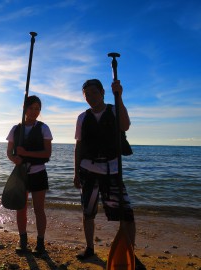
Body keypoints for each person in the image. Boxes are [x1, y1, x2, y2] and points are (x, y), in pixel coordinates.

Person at [74, 79, 145, 269]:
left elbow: (125, 126)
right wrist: (76, 173)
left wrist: (119, 96)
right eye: (87, 94)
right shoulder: (82, 117)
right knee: (88, 213)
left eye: (94, 93)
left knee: (126, 215)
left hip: (112, 171)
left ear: (103, 92)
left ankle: (130, 252)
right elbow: (79, 145)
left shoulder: (114, 110)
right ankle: (90, 248)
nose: (90, 97)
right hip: (88, 171)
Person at [6, 95, 53, 255]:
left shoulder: (43, 128)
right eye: (31, 108)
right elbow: (9, 152)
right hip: (21, 173)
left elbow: (47, 153)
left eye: (37, 109)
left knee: (39, 209)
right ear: (25, 108)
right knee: (21, 208)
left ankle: (40, 243)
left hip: (38, 172)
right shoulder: (15, 129)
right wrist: (15, 158)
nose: (34, 112)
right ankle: (23, 240)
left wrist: (26, 152)